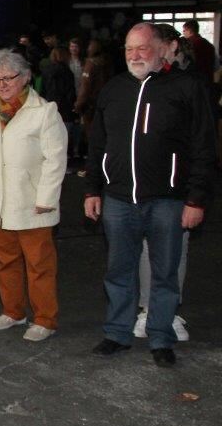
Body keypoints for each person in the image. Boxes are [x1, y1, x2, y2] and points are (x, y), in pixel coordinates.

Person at [84, 23, 216, 367]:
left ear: (162, 49)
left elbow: (204, 146)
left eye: (142, 48)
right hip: (118, 199)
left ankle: (160, 337)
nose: (134, 55)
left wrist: (196, 199)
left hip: (169, 201)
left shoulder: (187, 88)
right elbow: (98, 144)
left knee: (165, 272)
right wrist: (92, 189)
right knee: (118, 270)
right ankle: (117, 333)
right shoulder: (114, 89)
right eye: (129, 49)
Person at [0, 49, 67, 342]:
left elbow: (56, 160)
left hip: (32, 206)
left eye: (9, 78)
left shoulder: (45, 111)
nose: (3, 84)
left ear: (26, 77)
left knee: (39, 265)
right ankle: (13, 311)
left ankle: (45, 318)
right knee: (5, 262)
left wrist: (46, 199)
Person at [73, 38, 113, 175]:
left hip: (90, 106)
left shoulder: (91, 64)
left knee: (91, 138)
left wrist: (78, 105)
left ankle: (92, 168)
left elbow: (85, 87)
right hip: (105, 104)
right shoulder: (107, 62)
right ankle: (105, 167)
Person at [42, 46, 80, 165]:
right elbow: (70, 91)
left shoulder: (46, 70)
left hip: (49, 105)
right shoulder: (67, 71)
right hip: (64, 107)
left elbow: (42, 89)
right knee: (64, 135)